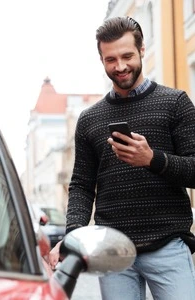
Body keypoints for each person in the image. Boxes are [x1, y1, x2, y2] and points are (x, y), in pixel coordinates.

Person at [49, 16, 195, 300]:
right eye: (110, 59)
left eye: (127, 55)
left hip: (168, 247)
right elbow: (81, 185)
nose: (120, 66)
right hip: (112, 252)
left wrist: (152, 159)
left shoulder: (175, 103)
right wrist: (73, 237)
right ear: (101, 60)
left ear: (142, 50)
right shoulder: (89, 119)